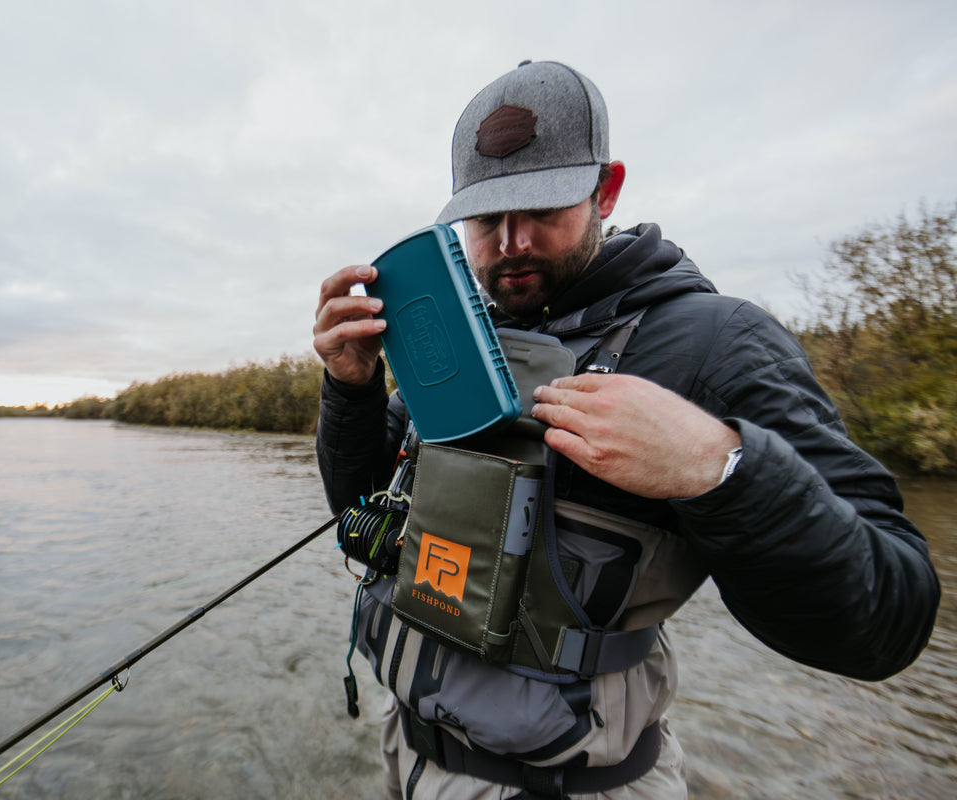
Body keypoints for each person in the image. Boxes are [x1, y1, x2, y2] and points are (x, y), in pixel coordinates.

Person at [312, 60, 940, 799]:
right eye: (485, 219)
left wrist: (722, 467)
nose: (511, 241)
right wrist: (350, 391)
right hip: (408, 751)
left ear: (605, 190)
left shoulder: (719, 343)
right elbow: (357, 509)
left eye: (542, 207)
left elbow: (889, 620)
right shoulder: (453, 337)